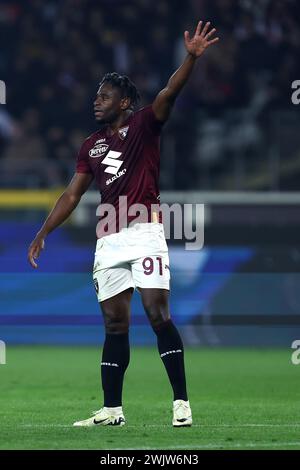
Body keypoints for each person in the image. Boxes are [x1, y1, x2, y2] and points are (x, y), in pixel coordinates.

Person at [28, 21, 219, 427]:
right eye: (97, 95)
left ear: (125, 103)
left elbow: (170, 92)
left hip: (145, 231)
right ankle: (112, 410)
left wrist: (190, 58)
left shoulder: (146, 124)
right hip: (108, 240)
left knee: (156, 313)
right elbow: (72, 195)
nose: (97, 101)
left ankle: (181, 403)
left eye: (106, 96)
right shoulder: (90, 146)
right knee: (115, 324)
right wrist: (44, 231)